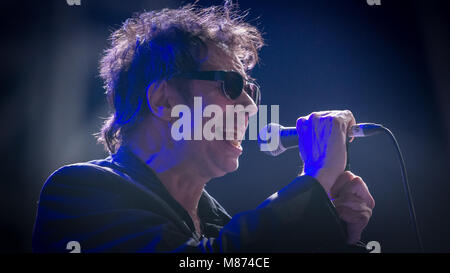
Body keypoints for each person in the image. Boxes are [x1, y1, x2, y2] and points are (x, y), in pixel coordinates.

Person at [32, 2, 375, 253]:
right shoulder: (78, 193)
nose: (251, 106)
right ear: (164, 101)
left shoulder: (217, 225)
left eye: (250, 90)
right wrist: (313, 181)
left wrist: (342, 234)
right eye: (229, 85)